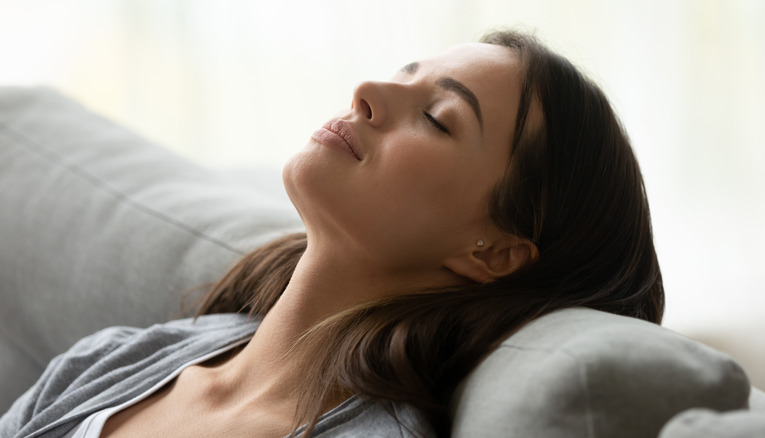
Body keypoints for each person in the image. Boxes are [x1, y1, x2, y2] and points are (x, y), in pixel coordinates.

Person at [1, 29, 663, 438]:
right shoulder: (123, 360)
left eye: (437, 117)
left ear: (492, 252)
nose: (368, 90)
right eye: (404, 72)